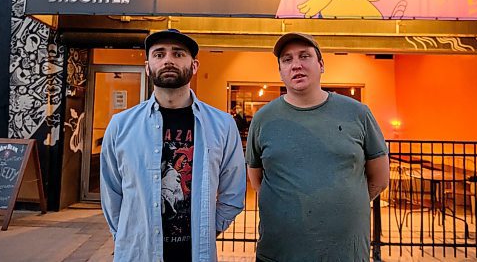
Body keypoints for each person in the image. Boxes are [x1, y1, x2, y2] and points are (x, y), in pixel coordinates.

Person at [100, 29, 246, 262]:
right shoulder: (121, 125)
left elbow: (233, 191)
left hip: (195, 255)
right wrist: (129, 236)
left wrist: (208, 231)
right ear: (148, 67)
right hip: (138, 254)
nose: (168, 59)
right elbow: (111, 193)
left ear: (195, 66)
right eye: (159, 54)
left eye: (178, 54)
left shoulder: (222, 125)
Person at [245, 32, 390, 262]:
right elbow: (257, 180)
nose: (296, 65)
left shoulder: (358, 114)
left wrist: (341, 206)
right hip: (279, 253)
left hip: (345, 254)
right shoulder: (263, 119)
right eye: (287, 59)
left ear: (321, 65)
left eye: (305, 56)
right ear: (280, 70)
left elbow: (379, 179)